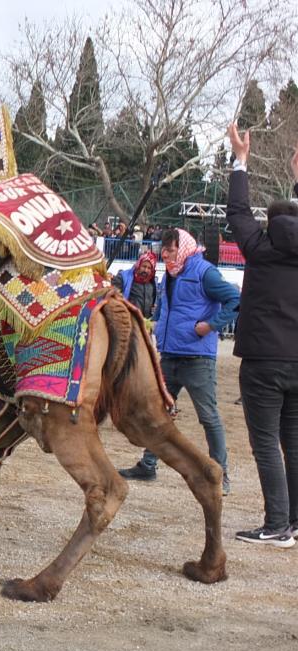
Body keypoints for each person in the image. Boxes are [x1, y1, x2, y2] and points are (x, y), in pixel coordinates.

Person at [119, 228, 239, 494]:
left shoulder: (204, 272)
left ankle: (222, 475)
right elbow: (165, 308)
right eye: (164, 249)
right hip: (170, 355)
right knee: (157, 412)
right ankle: (148, 465)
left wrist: (210, 326)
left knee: (208, 417)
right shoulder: (171, 275)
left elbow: (234, 300)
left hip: (197, 358)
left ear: (183, 247)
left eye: (170, 249)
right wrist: (158, 326)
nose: (165, 254)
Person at [226, 124, 298, 547]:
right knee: (293, 440)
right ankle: (294, 521)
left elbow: (237, 211)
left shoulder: (260, 247)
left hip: (263, 361)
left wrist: (241, 161)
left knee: (266, 442)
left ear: (270, 223)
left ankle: (276, 525)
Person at [112, 248, 158, 318]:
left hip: (145, 323)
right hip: (128, 321)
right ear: (139, 265)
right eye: (144, 266)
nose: (146, 270)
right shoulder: (124, 277)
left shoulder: (152, 283)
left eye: (149, 268)